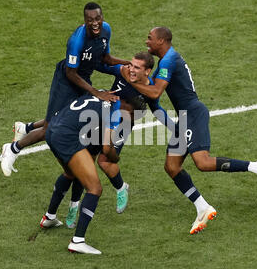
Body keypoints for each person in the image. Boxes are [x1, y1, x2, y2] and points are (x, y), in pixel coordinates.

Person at [120, 27, 257, 235]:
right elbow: (155, 103)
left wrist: (133, 83)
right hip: (184, 119)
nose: (147, 41)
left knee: (202, 162)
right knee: (172, 166)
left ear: (162, 41)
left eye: (150, 38)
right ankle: (202, 208)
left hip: (193, 114)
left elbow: (155, 91)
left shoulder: (169, 60)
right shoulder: (163, 65)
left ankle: (256, 166)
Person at [1, 2, 130, 176]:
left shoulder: (106, 30)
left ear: (102, 17)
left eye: (97, 18)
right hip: (66, 82)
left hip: (83, 80)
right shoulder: (77, 40)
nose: (95, 22)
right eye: (90, 19)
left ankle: (24, 129)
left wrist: (126, 63)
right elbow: (70, 73)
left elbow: (105, 58)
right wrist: (95, 92)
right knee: (50, 129)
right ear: (85, 20)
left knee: (66, 117)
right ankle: (12, 149)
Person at [61, 51, 175, 227]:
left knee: (105, 161)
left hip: (123, 125)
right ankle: (73, 206)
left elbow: (157, 109)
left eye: (137, 67)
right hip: (101, 118)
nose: (131, 69)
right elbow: (100, 65)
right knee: (84, 163)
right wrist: (88, 57)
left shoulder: (150, 89)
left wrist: (176, 129)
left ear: (147, 71)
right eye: (131, 65)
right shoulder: (122, 71)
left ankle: (121, 188)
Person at [44, 93, 147, 254]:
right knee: (95, 189)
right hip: (66, 137)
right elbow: (106, 149)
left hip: (52, 130)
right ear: (125, 102)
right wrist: (115, 157)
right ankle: (77, 241)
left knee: (70, 173)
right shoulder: (115, 110)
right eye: (131, 113)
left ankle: (49, 217)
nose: (129, 118)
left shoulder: (105, 94)